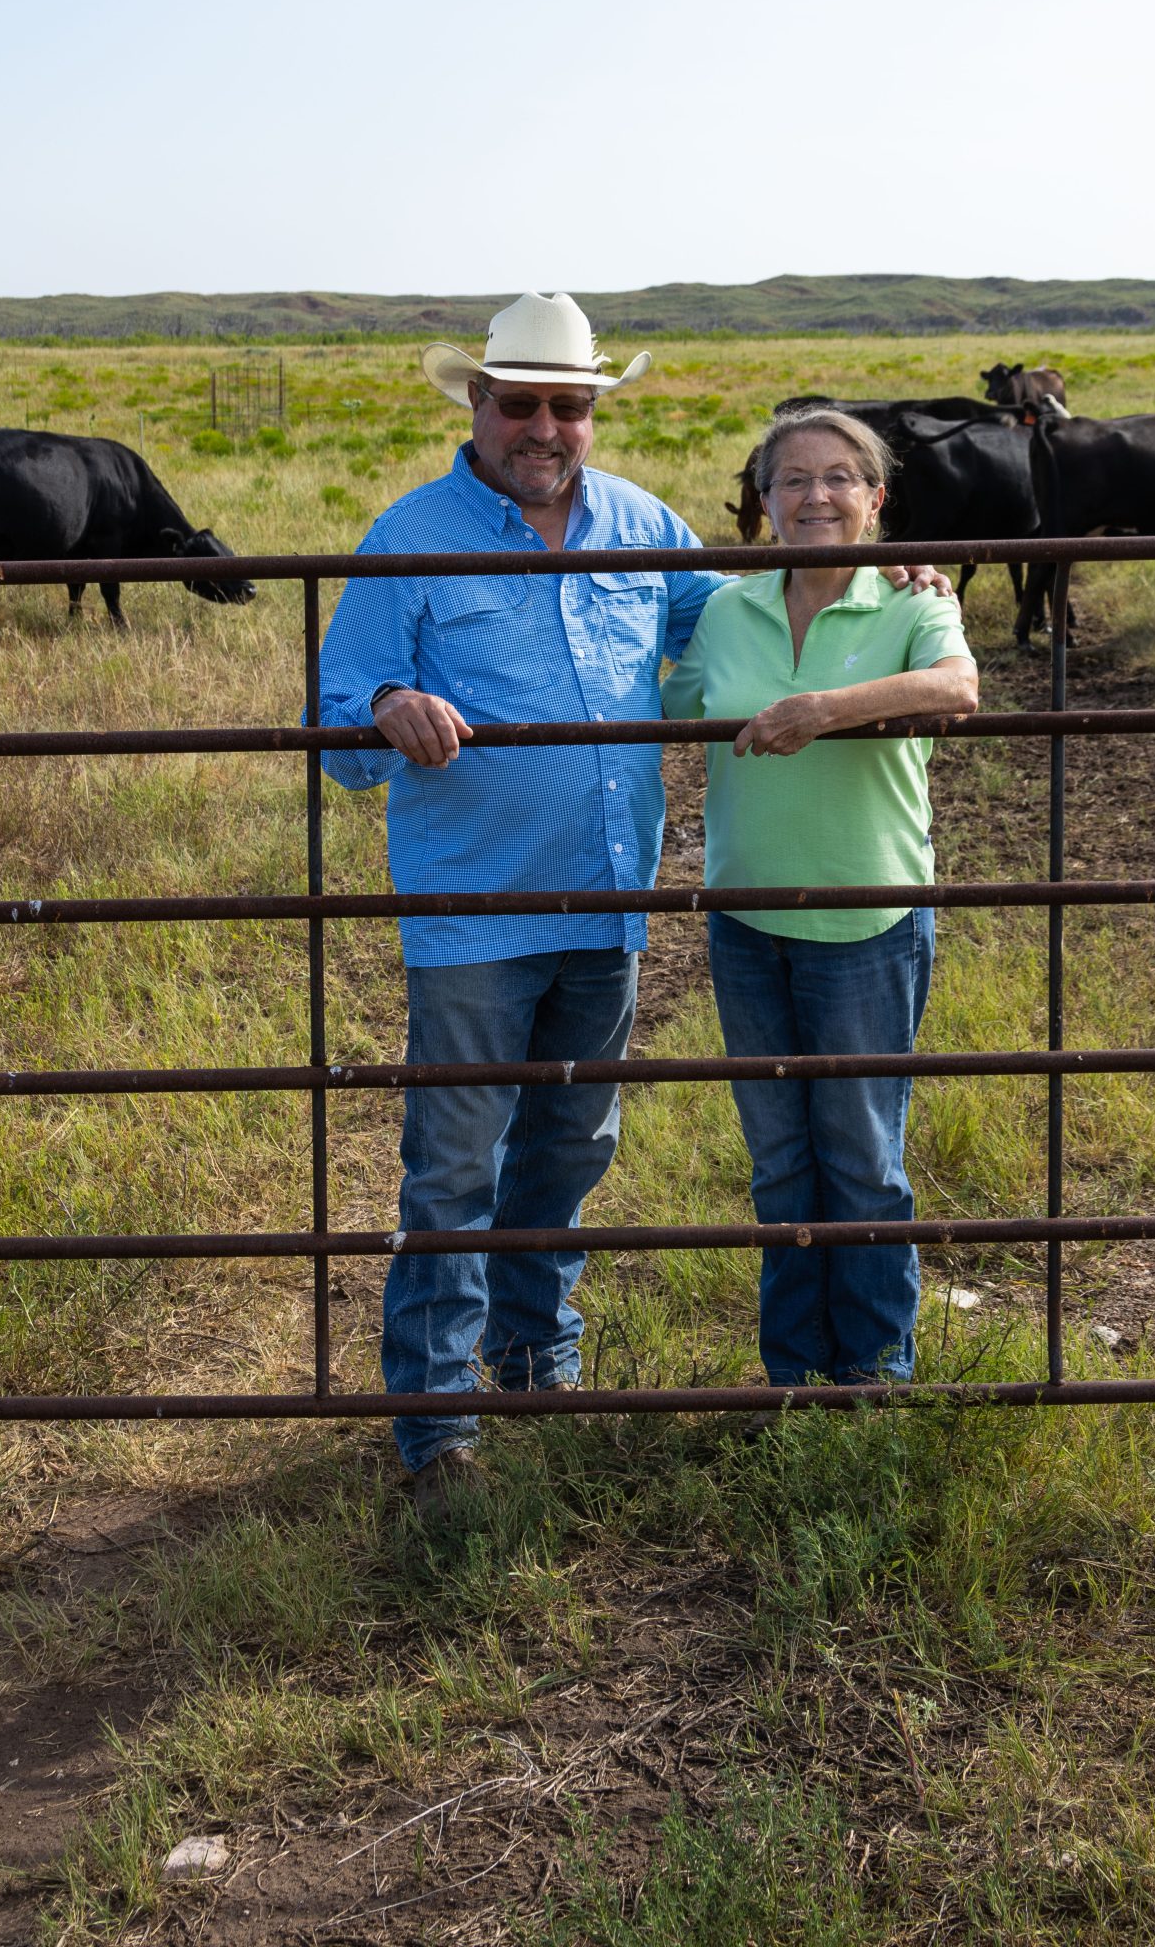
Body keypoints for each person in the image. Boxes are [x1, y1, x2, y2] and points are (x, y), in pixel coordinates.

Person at [313, 293, 726, 1517]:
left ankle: (533, 1353)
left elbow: (750, 620)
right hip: (475, 912)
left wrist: (879, 569)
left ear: (593, 412)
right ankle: (436, 1421)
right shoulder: (412, 535)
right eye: (523, 402)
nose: (545, 426)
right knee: (453, 1161)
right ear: (477, 406)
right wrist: (386, 700)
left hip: (606, 903)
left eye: (570, 405)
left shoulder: (647, 525)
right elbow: (338, 716)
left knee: (569, 1145)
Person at [660, 406, 978, 1396]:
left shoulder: (913, 604)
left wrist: (825, 711)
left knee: (862, 1155)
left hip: (866, 920)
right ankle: (794, 1370)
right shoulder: (729, 612)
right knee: (780, 1161)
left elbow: (957, 688)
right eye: (791, 479)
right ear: (764, 502)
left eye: (840, 477)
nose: (815, 496)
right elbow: (669, 702)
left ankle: (877, 1368)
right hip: (747, 920)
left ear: (876, 499)